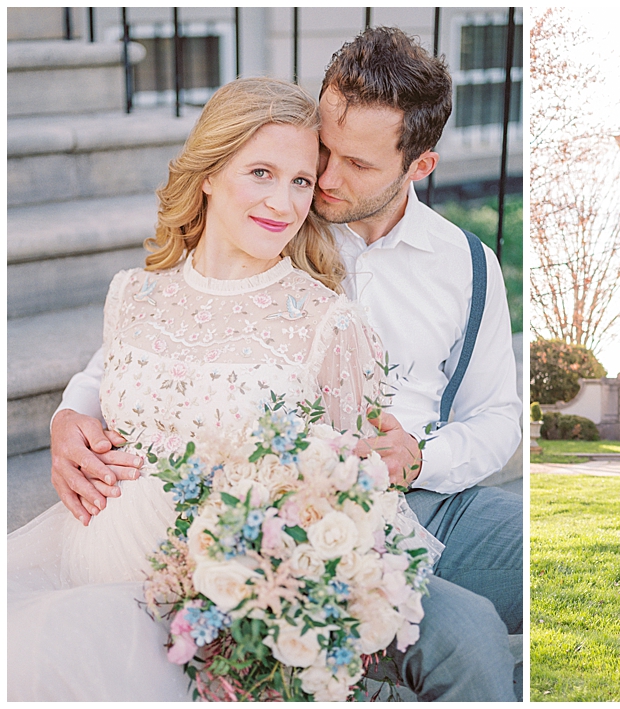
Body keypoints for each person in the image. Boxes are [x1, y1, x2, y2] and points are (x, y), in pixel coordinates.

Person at [44, 28, 521, 701]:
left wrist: (415, 461)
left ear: (420, 166)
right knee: (464, 639)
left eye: (354, 164)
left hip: (429, 495)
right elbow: (177, 331)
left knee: (538, 563)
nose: (322, 179)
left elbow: (500, 416)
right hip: (295, 507)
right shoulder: (275, 214)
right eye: (322, 150)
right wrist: (72, 409)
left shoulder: (465, 264)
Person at [9, 76, 390, 699]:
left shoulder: (328, 323)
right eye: (261, 172)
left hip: (205, 618)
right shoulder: (132, 293)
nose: (284, 202)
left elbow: (355, 498)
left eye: (300, 181)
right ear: (209, 172)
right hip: (75, 562)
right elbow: (100, 385)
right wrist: (66, 417)